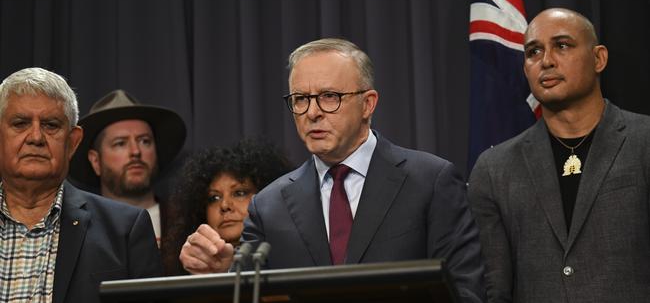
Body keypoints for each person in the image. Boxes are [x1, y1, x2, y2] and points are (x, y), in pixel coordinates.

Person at [179, 38, 485, 302]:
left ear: (368, 104)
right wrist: (223, 271)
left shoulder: (430, 181)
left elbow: (465, 291)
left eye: (329, 97)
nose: (312, 113)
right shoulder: (269, 206)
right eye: (300, 99)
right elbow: (250, 292)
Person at [468, 8, 650, 302]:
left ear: (598, 58)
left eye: (562, 45)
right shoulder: (494, 169)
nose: (546, 61)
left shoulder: (644, 141)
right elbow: (495, 289)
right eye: (533, 52)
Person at [0, 67, 161, 303]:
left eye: (51, 125)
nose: (35, 137)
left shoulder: (125, 229)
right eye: (20, 123)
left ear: (73, 143)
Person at [68, 89, 186, 265]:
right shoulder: (76, 230)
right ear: (95, 161)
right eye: (120, 143)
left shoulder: (188, 220)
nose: (136, 152)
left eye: (144, 141)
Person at [162, 138, 292, 275]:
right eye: (214, 198)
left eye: (239, 193)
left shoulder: (289, 254)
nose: (224, 205)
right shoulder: (192, 261)